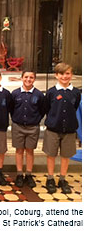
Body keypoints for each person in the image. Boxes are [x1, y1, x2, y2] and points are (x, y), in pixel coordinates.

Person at [43, 63, 81, 194]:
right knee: (51, 154)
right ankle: (50, 178)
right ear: (56, 75)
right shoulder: (51, 92)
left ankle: (63, 178)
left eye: (67, 74)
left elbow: (75, 107)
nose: (64, 76)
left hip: (69, 129)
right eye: (61, 74)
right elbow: (47, 108)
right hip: (53, 128)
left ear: (71, 75)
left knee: (66, 155)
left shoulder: (76, 93)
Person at [11, 70, 45, 188]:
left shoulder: (39, 95)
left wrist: (34, 120)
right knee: (19, 150)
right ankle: (20, 174)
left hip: (32, 127)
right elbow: (11, 108)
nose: (28, 79)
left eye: (31, 77)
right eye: (26, 77)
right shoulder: (15, 94)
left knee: (30, 151)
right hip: (18, 126)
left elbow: (42, 110)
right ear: (21, 78)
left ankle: (29, 174)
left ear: (34, 79)